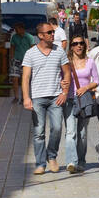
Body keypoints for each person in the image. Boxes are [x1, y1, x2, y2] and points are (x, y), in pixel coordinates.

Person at [21, 22, 70, 175]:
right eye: (49, 32)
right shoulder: (30, 53)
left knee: (56, 128)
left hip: (56, 97)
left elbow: (67, 73)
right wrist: (26, 98)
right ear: (40, 36)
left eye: (52, 32)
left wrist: (64, 92)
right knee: (39, 132)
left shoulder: (59, 51)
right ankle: (40, 163)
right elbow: (26, 77)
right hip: (37, 98)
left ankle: (52, 156)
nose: (52, 34)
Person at [62, 32, 99, 173]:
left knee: (82, 132)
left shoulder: (90, 62)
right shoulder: (66, 62)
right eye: (75, 44)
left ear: (85, 45)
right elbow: (61, 78)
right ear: (71, 47)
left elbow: (97, 80)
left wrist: (86, 87)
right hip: (70, 100)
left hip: (84, 100)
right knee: (71, 132)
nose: (79, 46)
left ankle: (82, 161)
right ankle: (71, 162)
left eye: (81, 43)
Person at [8, 22, 35, 104]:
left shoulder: (29, 37)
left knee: (24, 79)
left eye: (17, 29)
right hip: (16, 60)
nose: (16, 31)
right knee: (15, 79)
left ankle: (24, 97)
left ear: (22, 29)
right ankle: (16, 97)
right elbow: (12, 47)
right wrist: (12, 58)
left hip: (26, 61)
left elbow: (32, 48)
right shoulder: (14, 37)